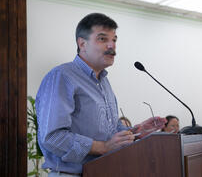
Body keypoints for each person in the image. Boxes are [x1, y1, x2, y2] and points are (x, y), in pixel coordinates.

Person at [36, 13, 166, 176]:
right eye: (103, 39)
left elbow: (109, 133)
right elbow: (52, 137)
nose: (112, 46)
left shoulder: (104, 82)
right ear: (82, 44)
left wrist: (136, 132)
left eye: (114, 40)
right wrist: (103, 147)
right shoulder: (62, 77)